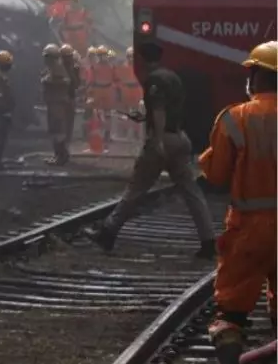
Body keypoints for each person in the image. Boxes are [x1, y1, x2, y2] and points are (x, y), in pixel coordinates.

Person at [88, 40, 216, 258]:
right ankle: (208, 240)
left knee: (136, 188)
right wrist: (143, 117)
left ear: (143, 59)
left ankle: (108, 232)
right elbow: (167, 108)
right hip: (180, 137)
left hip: (163, 138)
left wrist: (156, 141)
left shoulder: (154, 79)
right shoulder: (173, 76)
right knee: (191, 191)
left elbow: (158, 110)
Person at [201, 42, 277, 364]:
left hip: (247, 230)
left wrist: (206, 161)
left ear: (255, 76)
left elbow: (215, 177)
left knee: (231, 309)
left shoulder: (235, 118)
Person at [41, 44, 73, 165]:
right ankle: (58, 155)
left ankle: (62, 155)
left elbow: (65, 82)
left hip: (58, 104)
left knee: (58, 130)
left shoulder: (58, 68)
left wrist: (48, 81)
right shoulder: (52, 68)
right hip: (53, 103)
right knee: (54, 130)